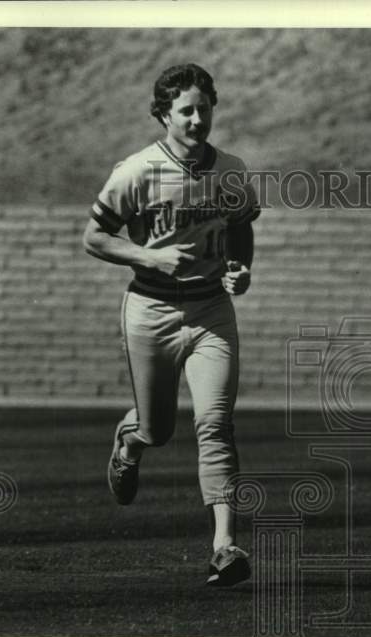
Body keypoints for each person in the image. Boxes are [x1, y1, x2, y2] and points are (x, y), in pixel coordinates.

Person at [82, 63, 259, 587]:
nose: (198, 119)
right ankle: (130, 443)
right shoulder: (136, 171)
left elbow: (241, 228)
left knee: (216, 425)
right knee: (158, 429)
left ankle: (224, 545)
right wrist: (149, 257)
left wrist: (240, 269)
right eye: (186, 110)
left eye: (205, 108)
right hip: (152, 310)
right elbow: (94, 237)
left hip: (210, 313)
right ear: (164, 114)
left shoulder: (231, 169)